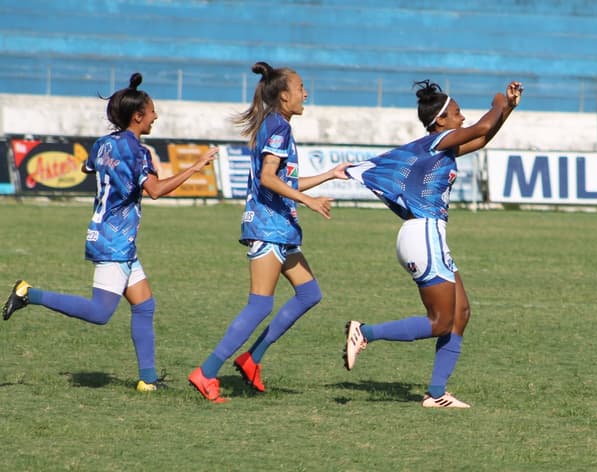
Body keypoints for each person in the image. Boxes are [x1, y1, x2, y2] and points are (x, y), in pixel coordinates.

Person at [2, 72, 217, 392]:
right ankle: (28, 293)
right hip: (114, 239)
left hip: (113, 235)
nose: (156, 116)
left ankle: (148, 380)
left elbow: (87, 168)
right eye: (152, 111)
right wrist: (195, 167)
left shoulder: (103, 144)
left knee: (144, 305)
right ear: (138, 116)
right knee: (100, 312)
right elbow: (156, 191)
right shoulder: (139, 152)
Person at [343, 79, 523, 408]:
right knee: (440, 321)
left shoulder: (439, 147)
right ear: (440, 120)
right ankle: (365, 332)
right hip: (424, 234)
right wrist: (498, 101)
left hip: (425, 235)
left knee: (461, 313)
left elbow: (482, 137)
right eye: (456, 113)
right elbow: (483, 124)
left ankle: (437, 394)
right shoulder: (439, 139)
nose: (462, 117)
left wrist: (507, 109)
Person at [189, 61, 350, 403]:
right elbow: (268, 178)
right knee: (260, 305)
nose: (306, 93)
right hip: (268, 226)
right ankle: (206, 372)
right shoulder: (279, 128)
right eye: (301, 87)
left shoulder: (276, 124)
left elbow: (283, 180)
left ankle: (252, 358)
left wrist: (329, 174)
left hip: (281, 227)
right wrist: (308, 200)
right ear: (284, 95)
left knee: (310, 294)